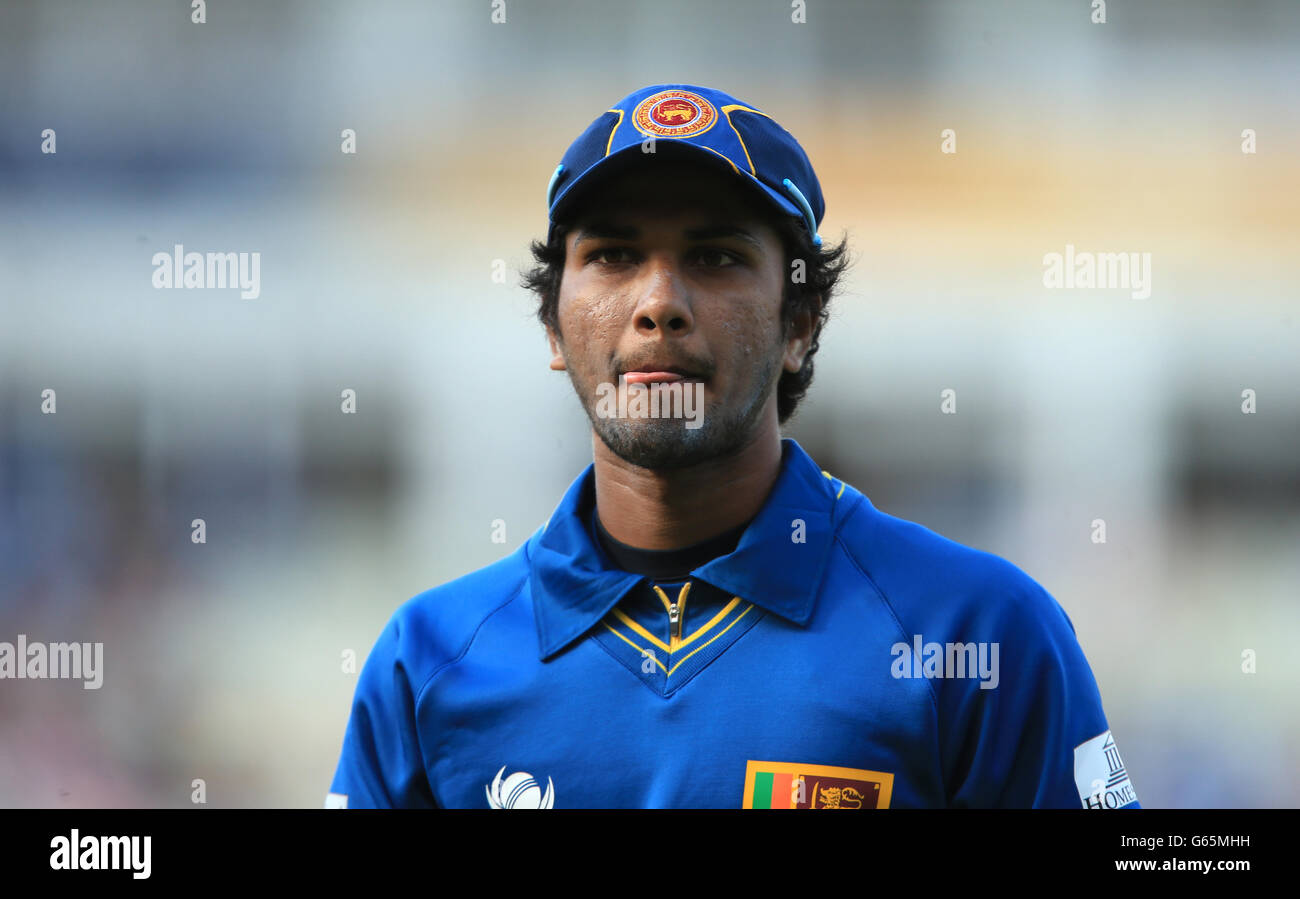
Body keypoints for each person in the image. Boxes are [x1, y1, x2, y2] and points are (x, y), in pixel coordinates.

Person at [326, 83, 1139, 809]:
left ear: (800, 324)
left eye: (715, 257)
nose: (658, 304)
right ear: (552, 324)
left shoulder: (978, 633)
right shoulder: (427, 662)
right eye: (612, 255)